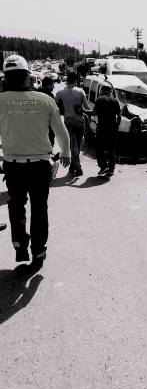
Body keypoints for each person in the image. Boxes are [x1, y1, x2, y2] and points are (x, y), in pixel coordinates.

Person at [0, 54, 70, 269]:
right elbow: (61, 132)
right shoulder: (45, 99)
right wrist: (66, 153)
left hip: (12, 165)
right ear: (27, 77)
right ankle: (38, 251)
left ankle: (20, 245)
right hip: (40, 165)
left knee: (16, 206)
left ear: (6, 78)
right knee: (39, 208)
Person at [55, 71, 90, 176]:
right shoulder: (80, 92)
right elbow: (87, 108)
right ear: (76, 80)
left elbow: (55, 107)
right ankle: (78, 167)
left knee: (72, 146)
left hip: (68, 121)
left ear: (66, 79)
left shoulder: (60, 93)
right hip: (79, 121)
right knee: (77, 146)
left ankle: (73, 167)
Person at [84, 84, 121, 176]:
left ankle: (103, 166)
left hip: (102, 128)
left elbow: (94, 113)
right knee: (111, 149)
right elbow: (119, 116)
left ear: (102, 91)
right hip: (112, 129)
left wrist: (84, 111)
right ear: (110, 91)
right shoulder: (115, 101)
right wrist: (116, 126)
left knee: (99, 148)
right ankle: (111, 168)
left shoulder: (100, 99)